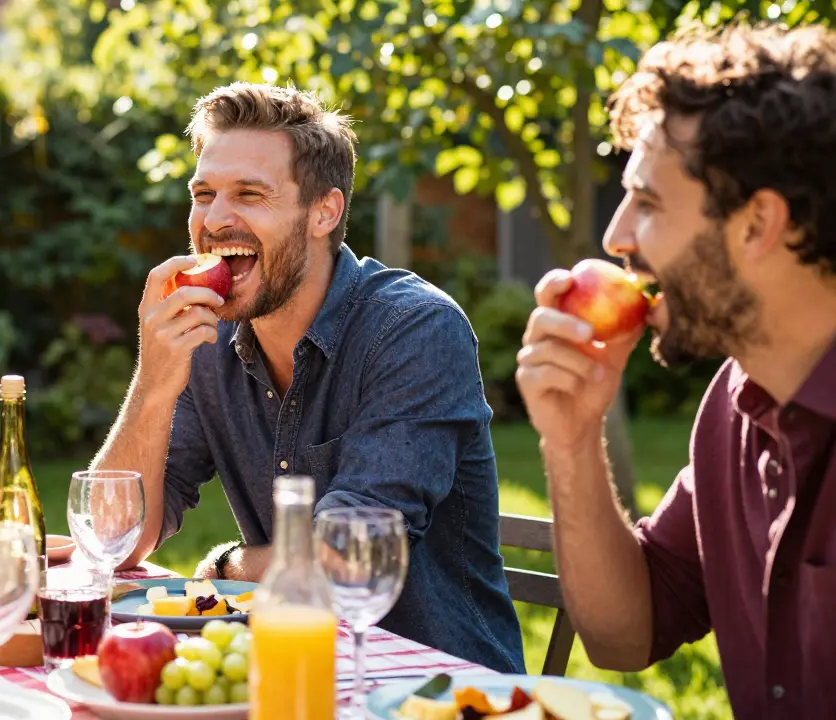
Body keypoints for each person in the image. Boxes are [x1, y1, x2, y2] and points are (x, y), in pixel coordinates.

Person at [92, 83, 524, 673]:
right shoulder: (209, 340)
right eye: (204, 194)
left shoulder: (415, 331)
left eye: (249, 194)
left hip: (434, 690)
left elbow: (349, 560)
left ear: (324, 211)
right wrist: (152, 381)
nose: (216, 220)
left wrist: (226, 565)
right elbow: (115, 538)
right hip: (289, 673)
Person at [515, 22, 836, 717]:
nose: (616, 237)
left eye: (650, 203)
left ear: (758, 225)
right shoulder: (736, 405)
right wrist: (571, 439)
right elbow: (626, 634)